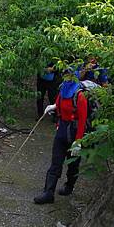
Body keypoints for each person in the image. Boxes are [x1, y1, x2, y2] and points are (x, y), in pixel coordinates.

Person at [34, 67, 87, 204]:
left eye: (69, 75)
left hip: (75, 132)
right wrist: (53, 107)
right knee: (56, 162)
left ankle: (69, 186)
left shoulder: (80, 96)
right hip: (62, 129)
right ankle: (48, 193)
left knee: (73, 163)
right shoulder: (63, 89)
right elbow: (58, 103)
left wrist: (78, 141)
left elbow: (82, 120)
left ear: (75, 76)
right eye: (65, 75)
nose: (66, 78)